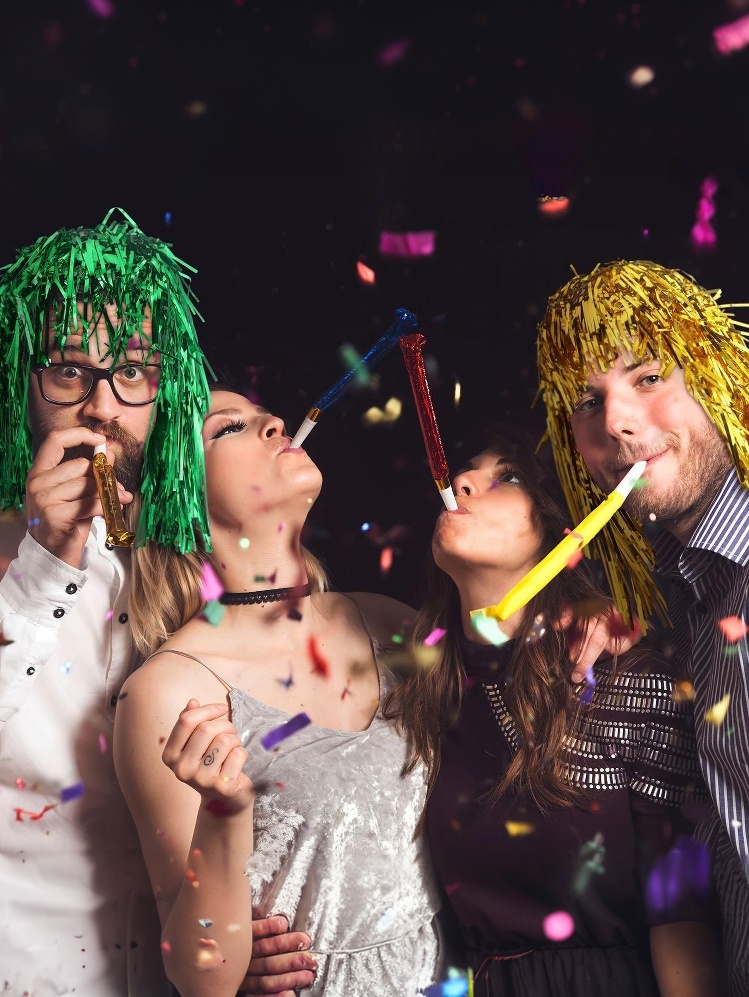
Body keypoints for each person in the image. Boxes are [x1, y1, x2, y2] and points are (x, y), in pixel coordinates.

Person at [112, 388, 444, 997]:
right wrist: (224, 817)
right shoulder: (169, 691)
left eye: (263, 413)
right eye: (228, 428)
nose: (274, 422)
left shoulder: (387, 621)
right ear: (179, 497)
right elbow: (201, 976)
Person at [387, 424, 723, 996]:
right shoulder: (421, 695)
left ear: (563, 534)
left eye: (507, 478)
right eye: (468, 471)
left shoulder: (629, 683)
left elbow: (680, 916)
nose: (462, 481)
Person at [0, 210, 213, 997]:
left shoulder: (203, 571)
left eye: (132, 371)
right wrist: (43, 562)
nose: (101, 406)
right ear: (23, 385)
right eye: (68, 371)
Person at [535, 259, 749, 995]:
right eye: (586, 401)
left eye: (649, 377)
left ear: (718, 373)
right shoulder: (687, 592)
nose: (616, 422)